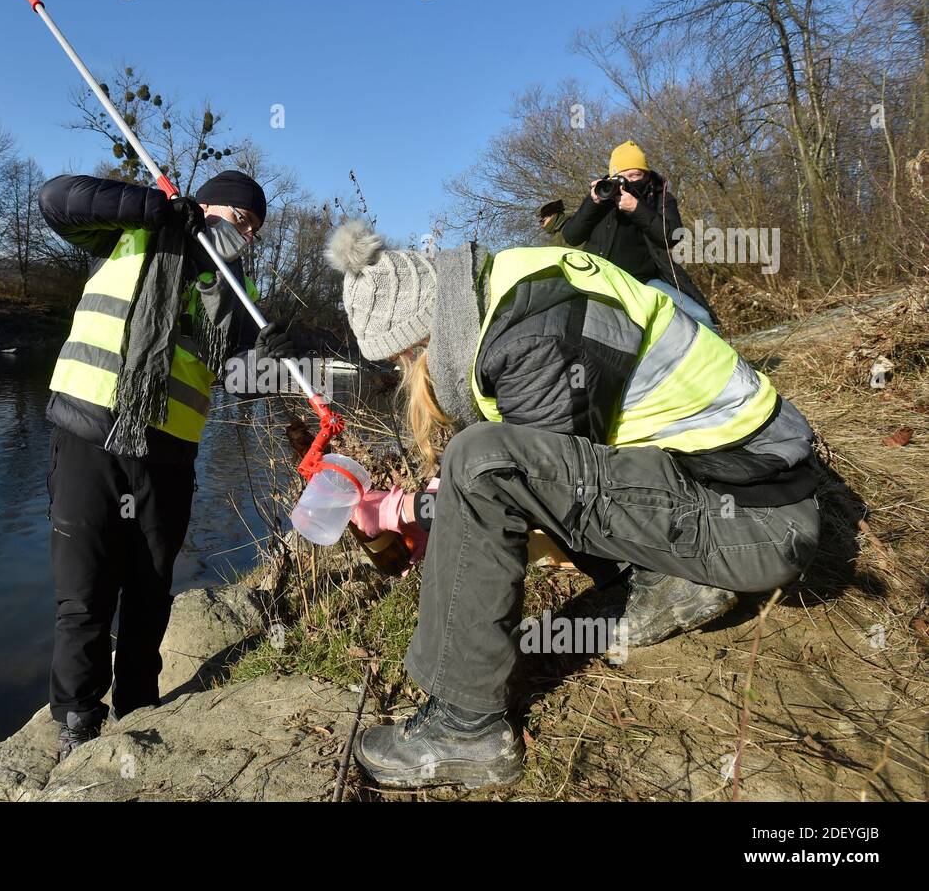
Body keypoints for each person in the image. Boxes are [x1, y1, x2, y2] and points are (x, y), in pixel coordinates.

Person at [323, 219, 819, 789]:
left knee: (476, 458)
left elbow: (517, 485)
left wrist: (403, 512)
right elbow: (549, 471)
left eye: (402, 360)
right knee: (483, 460)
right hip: (738, 495)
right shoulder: (514, 291)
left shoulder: (533, 337)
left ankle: (466, 729)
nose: (406, 375)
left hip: (758, 524)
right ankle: (670, 578)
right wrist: (431, 512)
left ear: (425, 334)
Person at [40, 169, 294, 759]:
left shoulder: (235, 289)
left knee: (151, 590)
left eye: (255, 228)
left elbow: (237, 380)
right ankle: (77, 716)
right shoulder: (132, 230)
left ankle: (137, 706)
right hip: (90, 435)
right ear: (208, 207)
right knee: (84, 590)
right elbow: (56, 200)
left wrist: (271, 360)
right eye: (241, 218)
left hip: (169, 457)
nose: (248, 234)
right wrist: (154, 207)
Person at [561, 140, 718, 329]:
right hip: (601, 279)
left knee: (701, 318)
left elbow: (672, 236)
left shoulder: (660, 197)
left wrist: (637, 208)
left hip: (645, 282)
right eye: (621, 176)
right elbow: (572, 236)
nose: (627, 181)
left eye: (635, 175)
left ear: (646, 175)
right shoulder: (602, 195)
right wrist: (592, 204)